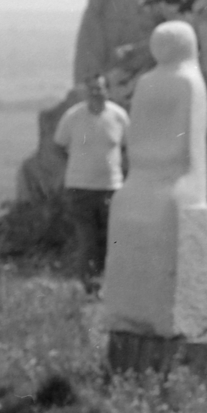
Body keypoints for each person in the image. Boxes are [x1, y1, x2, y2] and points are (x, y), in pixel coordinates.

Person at [54, 73, 129, 293]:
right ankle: (89, 284)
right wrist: (74, 166)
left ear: (108, 90)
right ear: (86, 92)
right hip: (80, 188)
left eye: (100, 88)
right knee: (87, 239)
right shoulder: (73, 116)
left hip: (111, 188)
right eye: (92, 89)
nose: (96, 93)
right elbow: (58, 146)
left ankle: (106, 281)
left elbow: (125, 146)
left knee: (110, 238)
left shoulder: (119, 116)